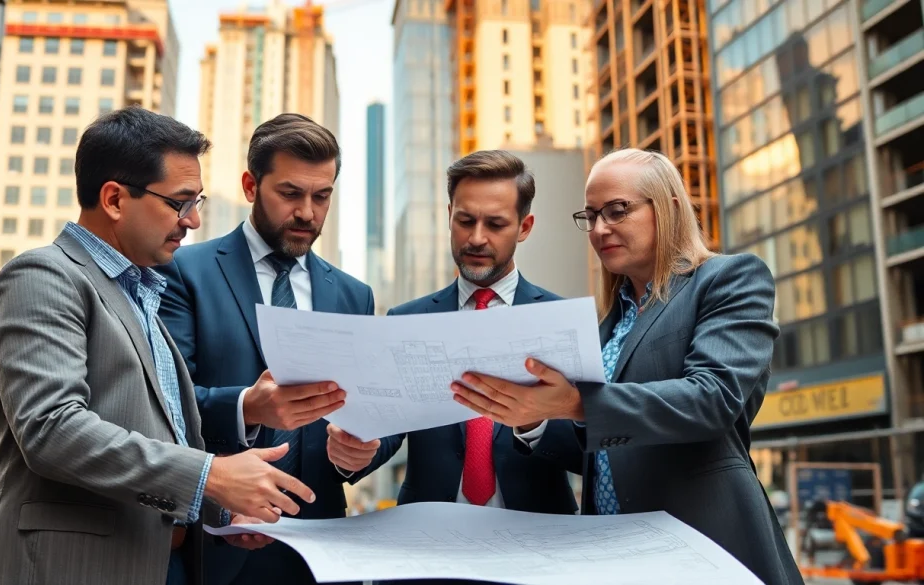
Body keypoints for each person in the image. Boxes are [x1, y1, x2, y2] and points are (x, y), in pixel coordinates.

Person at [0, 107, 306, 585]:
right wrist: (210, 476)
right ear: (113, 199)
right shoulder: (43, 277)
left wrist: (221, 511)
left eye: (198, 201)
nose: (192, 221)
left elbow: (156, 439)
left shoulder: (143, 295)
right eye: (179, 202)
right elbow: (51, 428)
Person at [449, 148, 804, 585]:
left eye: (617, 211)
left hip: (706, 545)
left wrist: (579, 403)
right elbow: (601, 449)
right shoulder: (605, 326)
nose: (600, 229)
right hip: (617, 556)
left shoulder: (728, 279)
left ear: (669, 208)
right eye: (591, 215)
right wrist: (533, 417)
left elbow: (712, 399)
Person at [329, 151, 582, 585]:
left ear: (525, 227)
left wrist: (535, 420)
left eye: (496, 224)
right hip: (427, 550)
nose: (477, 238)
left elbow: (588, 448)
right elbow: (388, 428)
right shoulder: (406, 321)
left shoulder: (561, 321)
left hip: (539, 549)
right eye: (465, 221)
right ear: (448, 216)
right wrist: (356, 448)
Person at [157, 112, 378, 585]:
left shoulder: (353, 296)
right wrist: (246, 408)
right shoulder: (184, 271)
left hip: (321, 551)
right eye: (291, 194)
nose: (307, 213)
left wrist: (362, 451)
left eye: (322, 197)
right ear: (250, 185)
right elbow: (164, 401)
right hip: (216, 541)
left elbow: (371, 410)